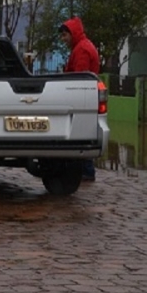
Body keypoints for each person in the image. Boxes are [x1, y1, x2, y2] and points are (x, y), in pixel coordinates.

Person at [58, 17, 100, 182]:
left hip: (82, 97)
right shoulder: (82, 46)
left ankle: (86, 170)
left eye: (64, 36)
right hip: (86, 96)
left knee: (80, 133)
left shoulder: (81, 49)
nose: (63, 40)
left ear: (72, 33)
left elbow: (79, 77)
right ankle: (84, 170)